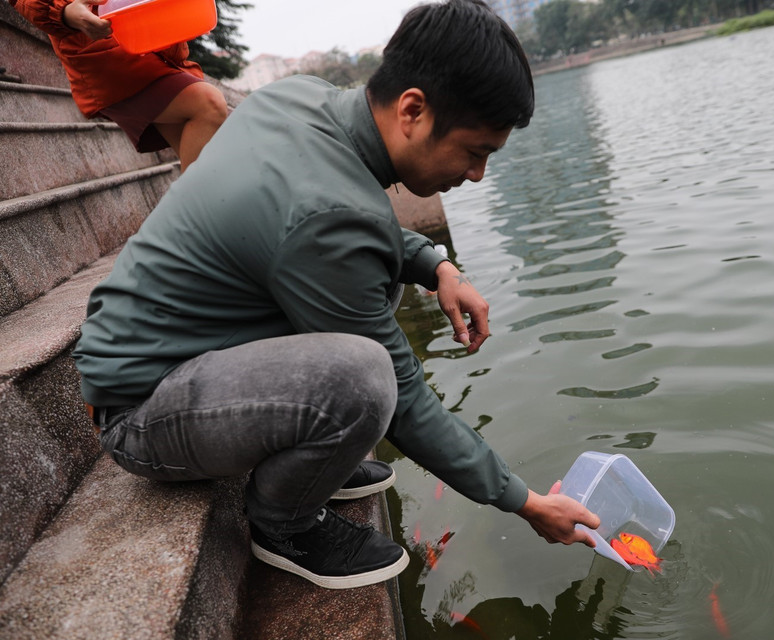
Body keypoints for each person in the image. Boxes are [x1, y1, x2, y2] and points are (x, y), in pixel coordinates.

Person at [72, 0, 600, 590]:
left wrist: (435, 265)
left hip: (167, 359)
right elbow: (404, 399)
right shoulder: (329, 214)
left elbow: (340, 223)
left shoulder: (300, 99)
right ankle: (283, 522)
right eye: (476, 152)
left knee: (373, 300)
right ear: (413, 110)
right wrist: (524, 501)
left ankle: (309, 458)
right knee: (365, 375)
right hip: (143, 414)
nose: (476, 174)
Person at [10, 0, 227, 171]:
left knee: (205, 165)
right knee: (207, 104)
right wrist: (64, 13)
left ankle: (201, 218)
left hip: (152, 46)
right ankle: (191, 219)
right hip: (107, 57)